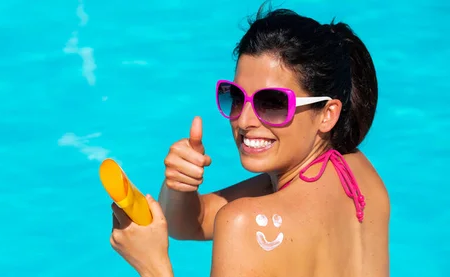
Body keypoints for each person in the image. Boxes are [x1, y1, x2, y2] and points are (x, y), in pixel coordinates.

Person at [109, 6, 390, 277]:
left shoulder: (245, 225)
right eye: (236, 97)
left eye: (272, 103)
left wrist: (152, 265)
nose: (244, 121)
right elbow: (189, 223)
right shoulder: (361, 179)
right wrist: (180, 185)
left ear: (328, 114)